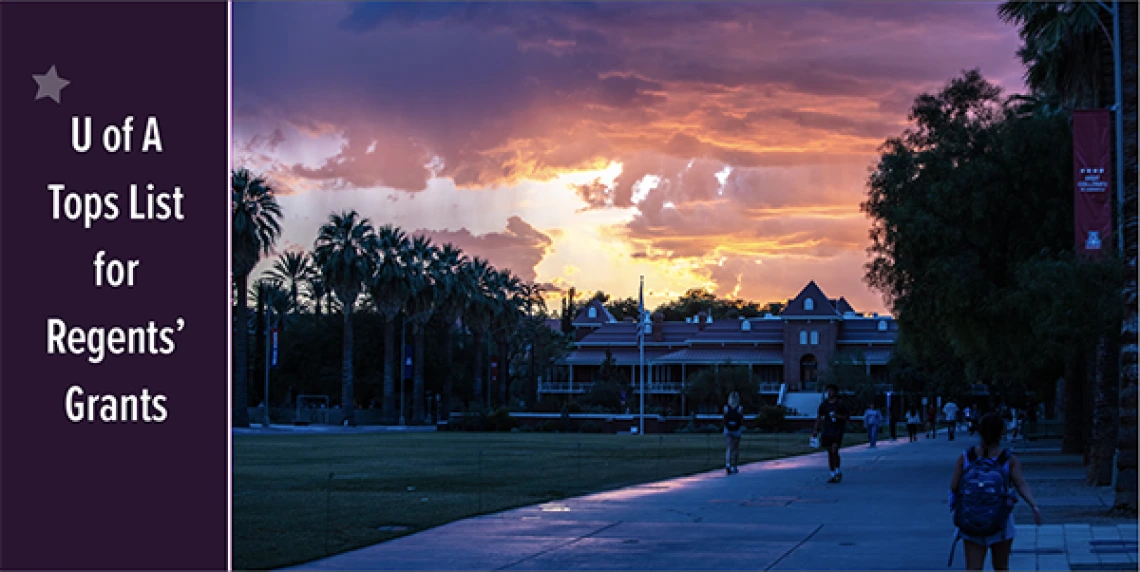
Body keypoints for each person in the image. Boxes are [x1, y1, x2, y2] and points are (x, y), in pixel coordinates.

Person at [949, 413, 1041, 570]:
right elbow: (1021, 484)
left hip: (971, 520)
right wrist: (1034, 506)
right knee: (1001, 567)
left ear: (979, 431)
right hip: (1001, 522)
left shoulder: (966, 457)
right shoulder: (1009, 459)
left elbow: (954, 486)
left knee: (973, 568)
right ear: (1002, 432)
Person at [813, 384, 850, 482]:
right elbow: (819, 417)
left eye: (831, 391)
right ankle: (832, 473)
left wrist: (838, 416)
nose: (829, 393)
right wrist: (815, 430)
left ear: (835, 392)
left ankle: (837, 470)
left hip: (837, 430)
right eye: (828, 391)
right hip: (827, 430)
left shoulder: (840, 404)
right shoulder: (824, 404)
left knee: (835, 450)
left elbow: (847, 417)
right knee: (829, 452)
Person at [723, 391, 744, 474]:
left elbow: (724, 418)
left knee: (728, 448)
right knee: (736, 449)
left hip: (728, 429)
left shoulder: (726, 408)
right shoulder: (740, 408)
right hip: (737, 429)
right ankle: (735, 467)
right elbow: (742, 419)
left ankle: (728, 464)